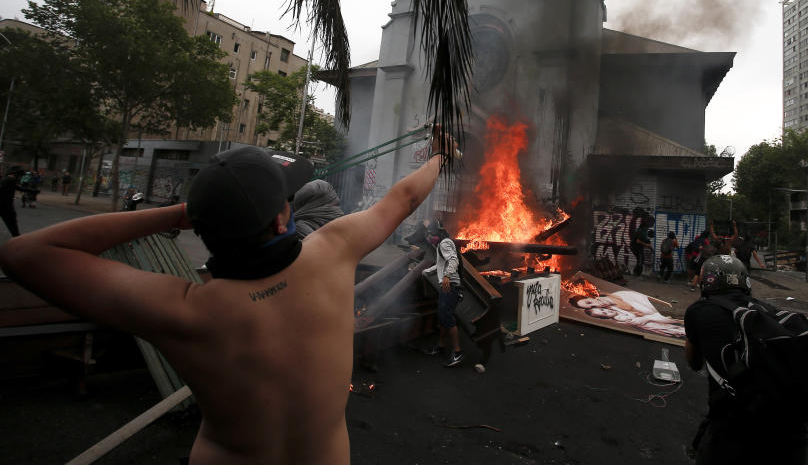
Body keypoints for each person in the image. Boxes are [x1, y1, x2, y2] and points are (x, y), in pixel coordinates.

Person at [0, 127, 456, 464]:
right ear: (281, 221)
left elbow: (26, 253)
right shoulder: (334, 252)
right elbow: (404, 197)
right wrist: (438, 155)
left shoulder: (182, 310)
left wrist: (179, 213)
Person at [684, 254, 807, 465]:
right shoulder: (768, 312)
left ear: (707, 282)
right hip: (792, 429)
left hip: (734, 428)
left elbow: (695, 363)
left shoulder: (700, 311)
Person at [423, 225, 464, 367]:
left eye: (430, 234)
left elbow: (453, 260)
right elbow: (440, 265)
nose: (429, 238)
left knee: (447, 317)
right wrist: (425, 271)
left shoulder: (444, 243)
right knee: (442, 317)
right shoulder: (442, 245)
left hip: (450, 286)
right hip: (447, 286)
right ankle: (441, 346)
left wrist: (446, 276)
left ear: (437, 234)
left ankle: (458, 353)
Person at [1, 166, 22, 237]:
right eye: (20, 175)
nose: (20, 177)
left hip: (5, 205)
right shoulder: (11, 179)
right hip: (5, 205)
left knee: (11, 220)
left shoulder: (8, 179)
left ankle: (16, 235)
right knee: (11, 221)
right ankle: (16, 236)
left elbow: (17, 188)